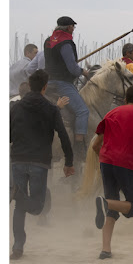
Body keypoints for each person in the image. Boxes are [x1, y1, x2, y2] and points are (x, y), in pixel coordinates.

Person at [9, 69, 74, 260]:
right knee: (37, 207)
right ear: (45, 87)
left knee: (20, 206)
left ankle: (18, 247)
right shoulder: (51, 109)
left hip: (18, 159)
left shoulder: (16, 107)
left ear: (30, 86)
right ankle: (17, 196)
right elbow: (63, 135)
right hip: (39, 162)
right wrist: (68, 162)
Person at [92, 85, 133, 260]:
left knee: (112, 204)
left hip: (106, 162)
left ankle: (105, 250)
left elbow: (96, 144)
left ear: (125, 99)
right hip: (125, 162)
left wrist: (102, 156)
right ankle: (105, 203)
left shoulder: (111, 113)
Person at [44, 16, 90, 163]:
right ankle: (78, 147)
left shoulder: (49, 40)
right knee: (83, 111)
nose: (73, 30)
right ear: (69, 27)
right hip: (62, 82)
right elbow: (72, 68)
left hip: (48, 81)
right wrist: (83, 72)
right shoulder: (66, 43)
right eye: (73, 27)